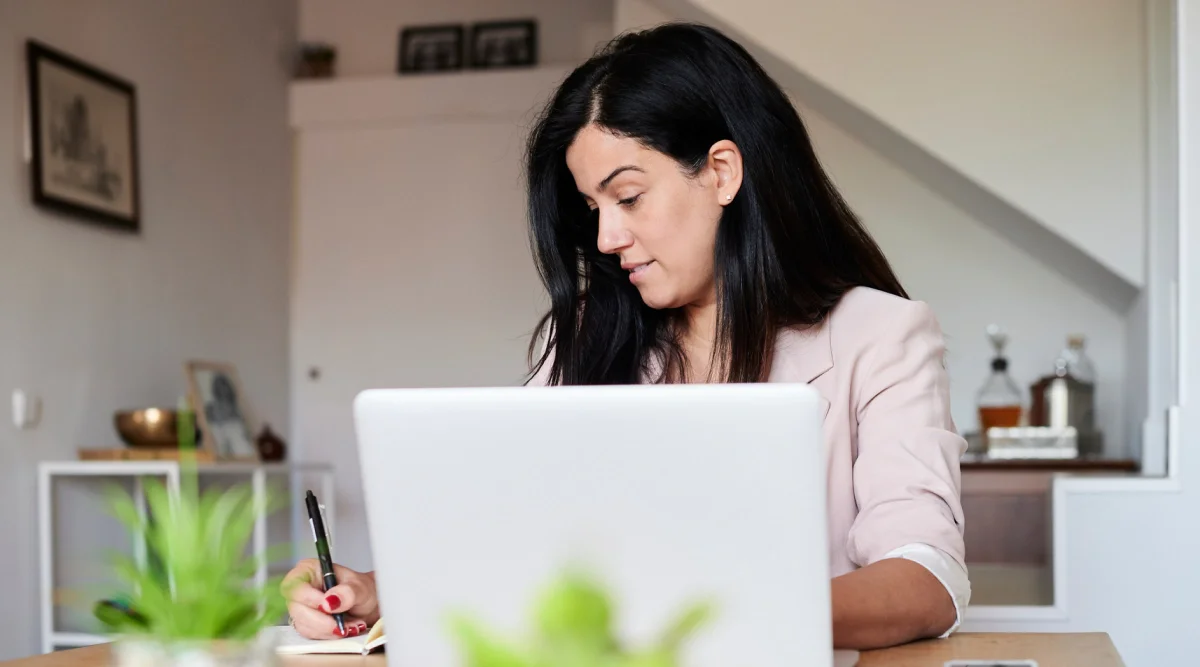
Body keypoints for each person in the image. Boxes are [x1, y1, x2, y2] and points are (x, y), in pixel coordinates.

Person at [283, 22, 969, 650]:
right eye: (593, 208)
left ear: (722, 172)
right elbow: (509, 538)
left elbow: (926, 576)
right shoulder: (586, 333)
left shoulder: (880, 337)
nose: (607, 239)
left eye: (629, 196)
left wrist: (734, 614)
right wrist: (378, 591)